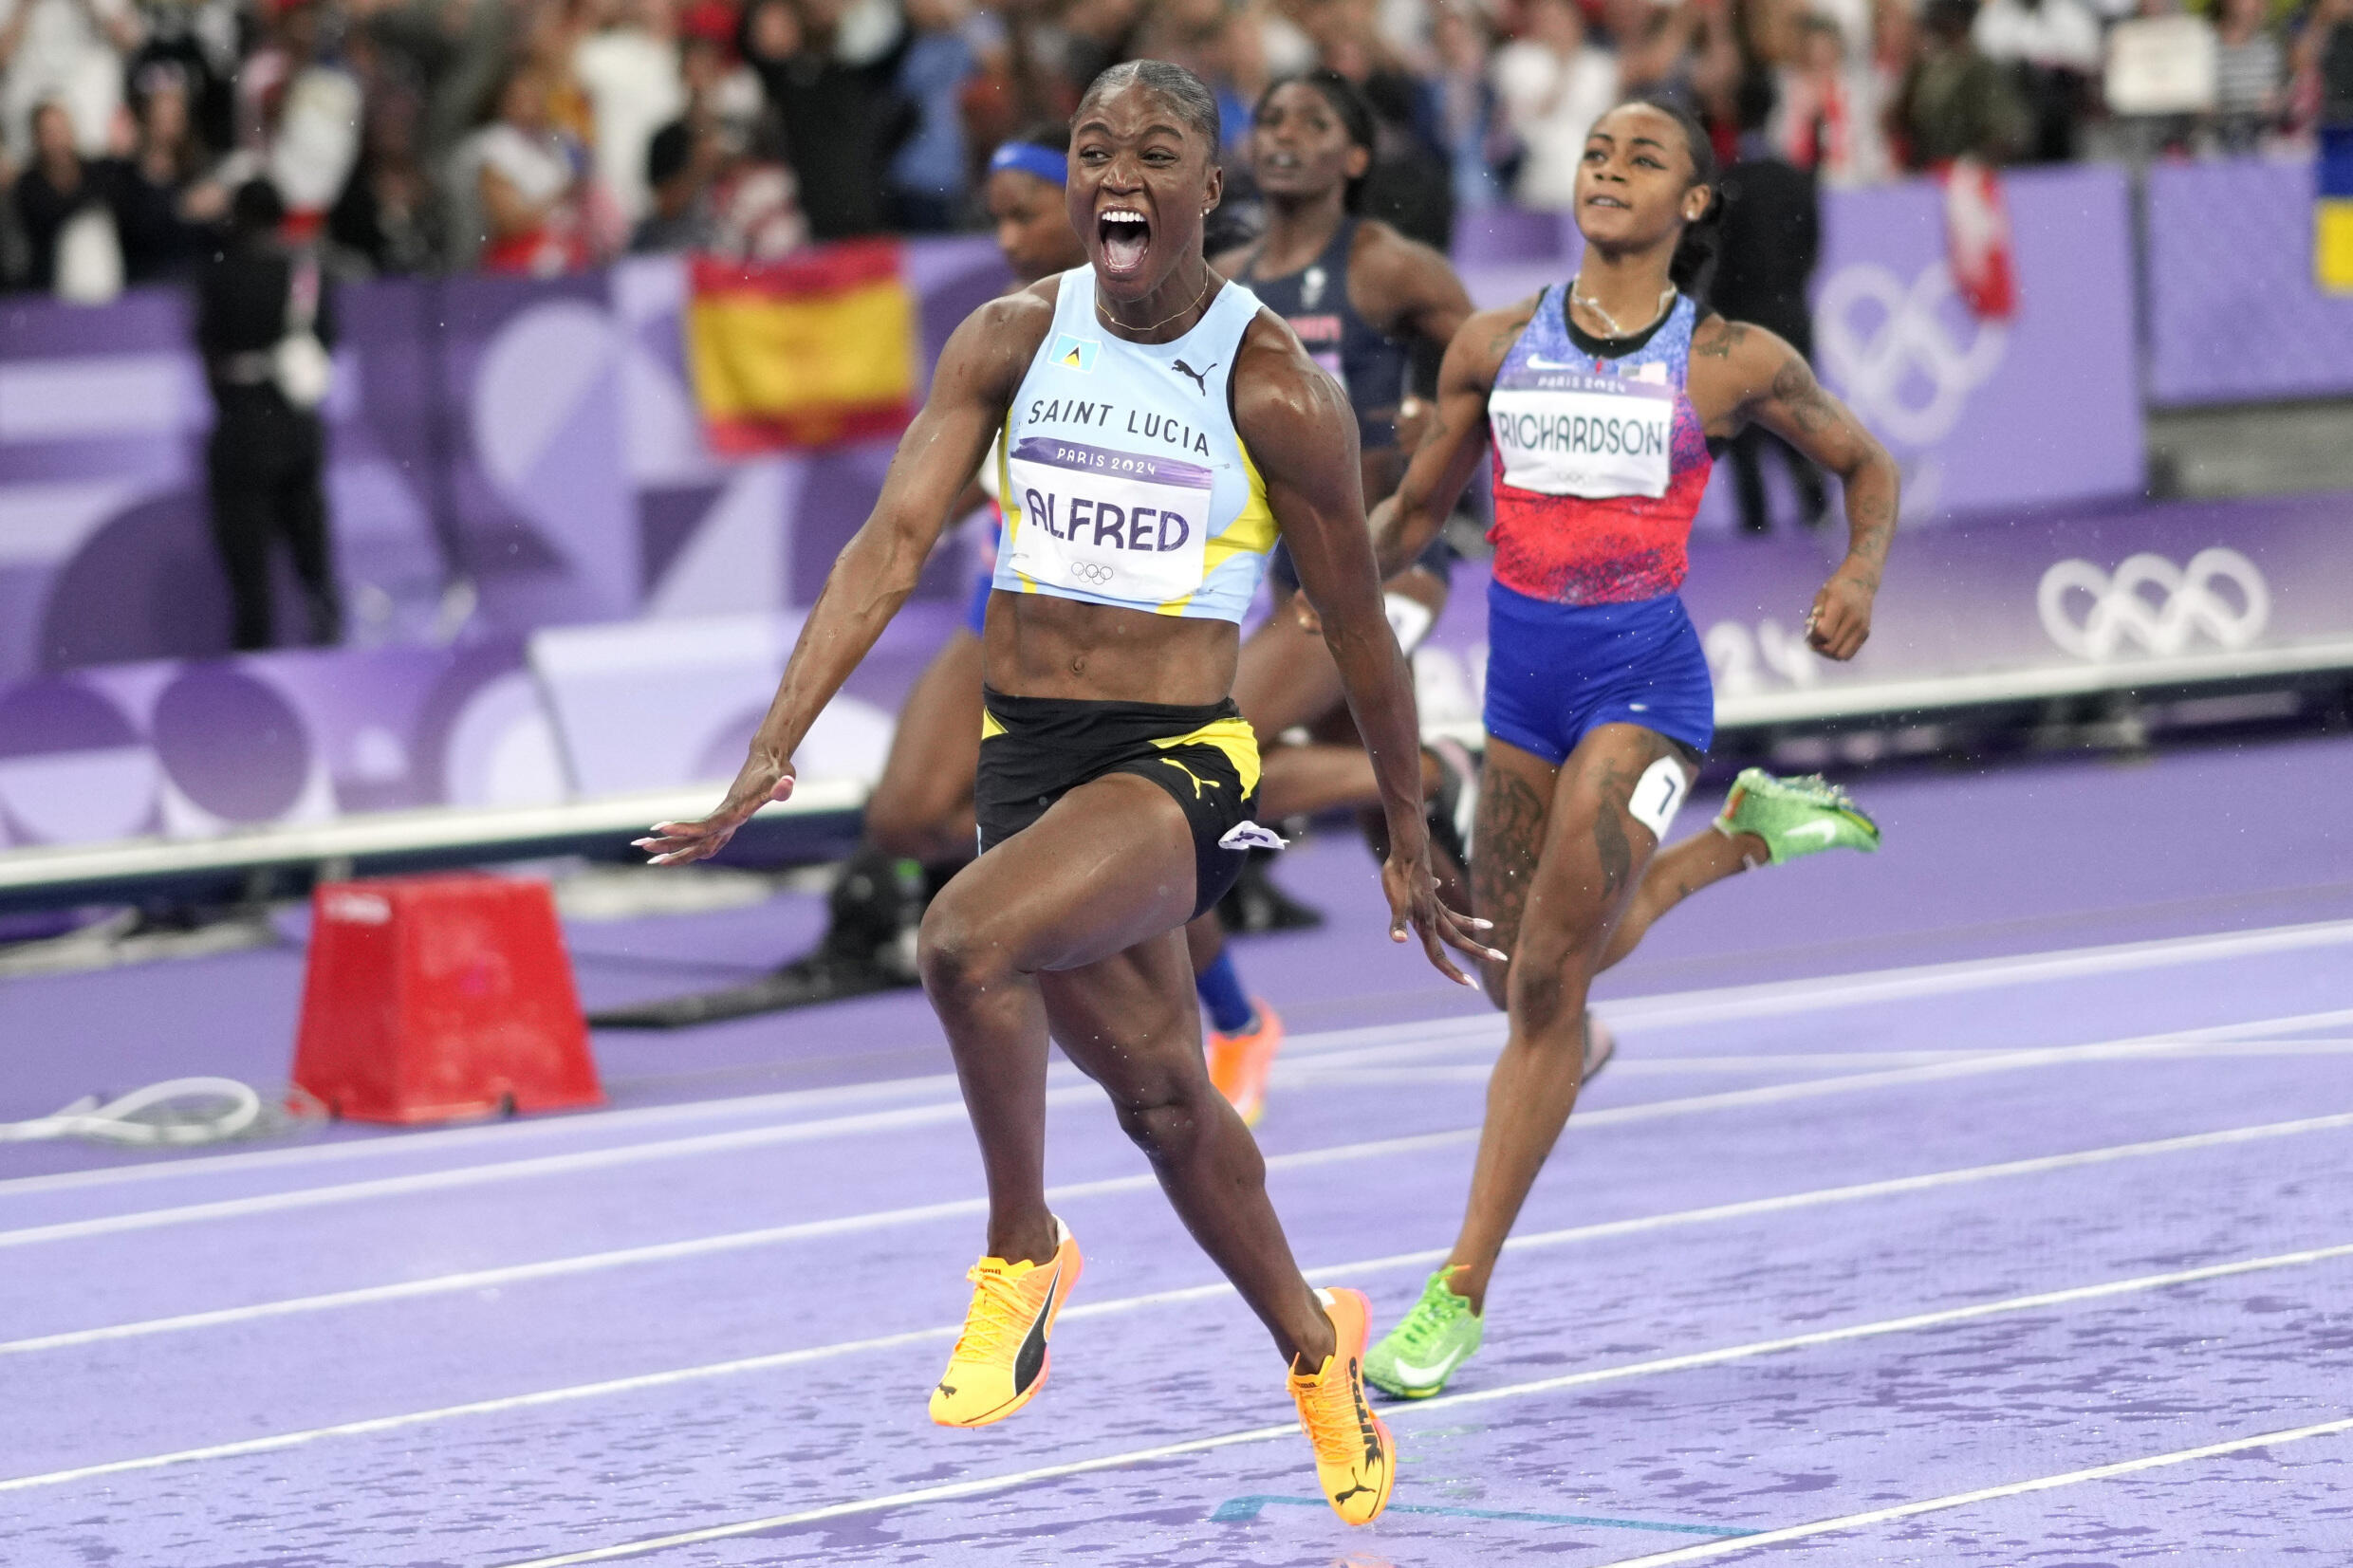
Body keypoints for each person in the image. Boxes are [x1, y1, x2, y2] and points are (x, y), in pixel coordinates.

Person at [639, 61, 1496, 1525]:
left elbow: (1354, 623)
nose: (1117, 170)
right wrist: (773, 747)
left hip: (1174, 760)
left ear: (1206, 194)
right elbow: (888, 546)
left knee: (967, 941)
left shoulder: (1271, 378)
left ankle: (1021, 1250)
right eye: (1096, 145)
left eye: (1154, 150)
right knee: (1166, 1101)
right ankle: (1317, 1349)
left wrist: (1408, 827)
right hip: (1026, 750)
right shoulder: (1009, 338)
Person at [1356, 99, 1897, 1399]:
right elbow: (1422, 505)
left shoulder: (1730, 360)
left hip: (1643, 685)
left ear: (1693, 205)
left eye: (1642, 159)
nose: (1608, 170)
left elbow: (1866, 464)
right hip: (1521, 695)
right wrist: (1327, 584)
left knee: (1547, 981)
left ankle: (1458, 1292)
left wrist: (1861, 571)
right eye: (1596, 152)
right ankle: (1743, 839)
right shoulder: (1492, 345)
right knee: (1523, 971)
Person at [1193, 66, 1480, 1123]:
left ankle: (1423, 764)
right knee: (1395, 834)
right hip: (1278, 578)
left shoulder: (1387, 268)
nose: (1284, 137)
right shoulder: (1220, 281)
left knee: (1202, 760)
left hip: (1388, 569)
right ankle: (1544, 1011)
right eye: (1268, 120)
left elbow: (1494, 370)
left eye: (1312, 123)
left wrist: (1431, 432)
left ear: (1353, 158)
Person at [196, 177, 342, 652]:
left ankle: (254, 670)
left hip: (242, 432)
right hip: (297, 430)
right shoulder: (306, 272)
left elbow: (209, 350)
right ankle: (332, 651)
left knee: (250, 576)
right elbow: (328, 338)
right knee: (313, 561)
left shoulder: (220, 275)